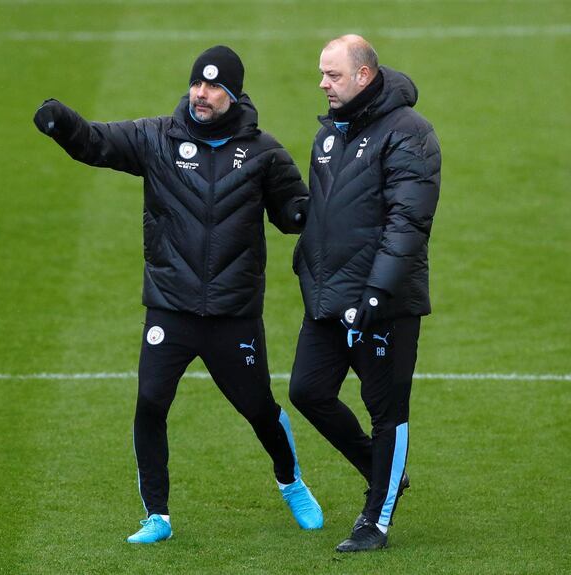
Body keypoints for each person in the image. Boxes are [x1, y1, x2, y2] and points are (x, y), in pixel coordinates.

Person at [33, 45, 323, 544]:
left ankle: (291, 481)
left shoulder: (263, 154)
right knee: (150, 402)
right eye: (197, 84)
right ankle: (158, 516)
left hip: (233, 313)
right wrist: (62, 123)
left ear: (233, 95)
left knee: (258, 409)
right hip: (171, 305)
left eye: (213, 88)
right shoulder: (156, 139)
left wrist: (311, 211)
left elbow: (291, 211)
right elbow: (97, 143)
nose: (201, 94)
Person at [288, 35, 441, 552]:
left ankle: (375, 521)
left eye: (332, 75)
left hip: (384, 302)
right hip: (329, 296)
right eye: (322, 73)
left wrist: (376, 294)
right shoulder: (331, 134)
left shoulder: (410, 134)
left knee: (387, 411)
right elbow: (331, 209)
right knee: (307, 390)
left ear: (364, 76)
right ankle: (381, 469)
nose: (323, 84)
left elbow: (408, 220)